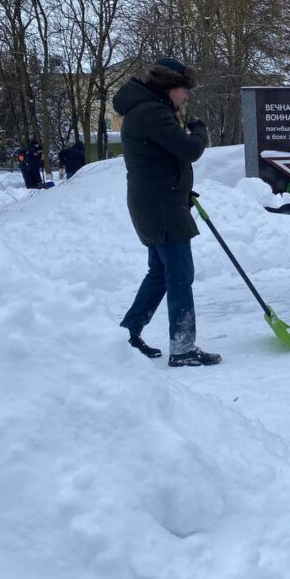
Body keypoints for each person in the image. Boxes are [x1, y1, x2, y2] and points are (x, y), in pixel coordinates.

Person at [114, 56, 221, 367]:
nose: (185, 96)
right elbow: (189, 150)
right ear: (169, 87)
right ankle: (183, 347)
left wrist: (179, 185)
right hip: (161, 208)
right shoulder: (151, 112)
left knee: (160, 273)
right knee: (179, 275)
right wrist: (199, 130)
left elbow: (161, 158)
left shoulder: (145, 109)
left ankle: (127, 336)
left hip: (159, 202)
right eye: (183, 90)